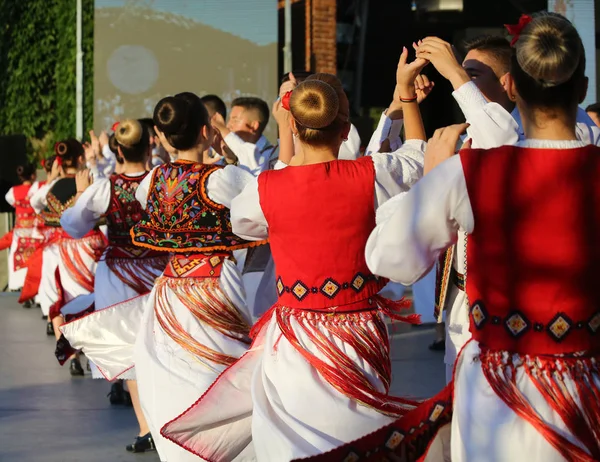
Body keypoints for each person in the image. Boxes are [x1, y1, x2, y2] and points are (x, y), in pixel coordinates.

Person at [329, 12, 600, 462]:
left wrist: (429, 180)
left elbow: (390, 258)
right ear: (583, 88)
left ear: (513, 87)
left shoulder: (470, 171)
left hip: (498, 390)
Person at [160, 50, 427, 461]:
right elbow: (416, 157)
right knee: (356, 432)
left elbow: (243, 224)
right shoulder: (371, 173)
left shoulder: (266, 189)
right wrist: (405, 96)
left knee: (291, 436)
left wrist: (285, 147)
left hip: (297, 332)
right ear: (345, 130)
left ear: (295, 129)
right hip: (358, 330)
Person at [128, 92, 258, 462]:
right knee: (221, 371)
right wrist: (228, 156)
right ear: (207, 130)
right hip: (214, 284)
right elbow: (260, 198)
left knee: (174, 374)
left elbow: (147, 196)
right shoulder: (223, 178)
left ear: (166, 137)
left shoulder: (152, 179)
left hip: (171, 290)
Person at [58, 119, 170, 453]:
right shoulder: (162, 180)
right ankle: (162, 421)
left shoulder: (105, 187)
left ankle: (146, 426)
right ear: (149, 145)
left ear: (117, 150)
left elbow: (73, 225)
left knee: (130, 348)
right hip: (160, 269)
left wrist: (81, 194)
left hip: (119, 271)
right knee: (160, 342)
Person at [37, 139, 107, 375]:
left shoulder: (53, 188)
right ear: (80, 158)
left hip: (65, 246)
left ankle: (73, 356)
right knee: (95, 299)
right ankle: (93, 353)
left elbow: (43, 212)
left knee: (65, 298)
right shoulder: (93, 183)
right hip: (91, 245)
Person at [211, 96, 277, 176]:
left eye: (235, 120)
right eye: (229, 119)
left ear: (254, 126)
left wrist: (223, 130)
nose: (228, 126)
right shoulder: (225, 149)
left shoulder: (272, 155)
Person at [2, 164, 41, 296]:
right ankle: (33, 287)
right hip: (35, 229)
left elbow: (11, 201)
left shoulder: (13, 191)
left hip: (20, 230)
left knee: (17, 256)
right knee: (35, 257)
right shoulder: (37, 189)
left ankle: (20, 285)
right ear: (33, 175)